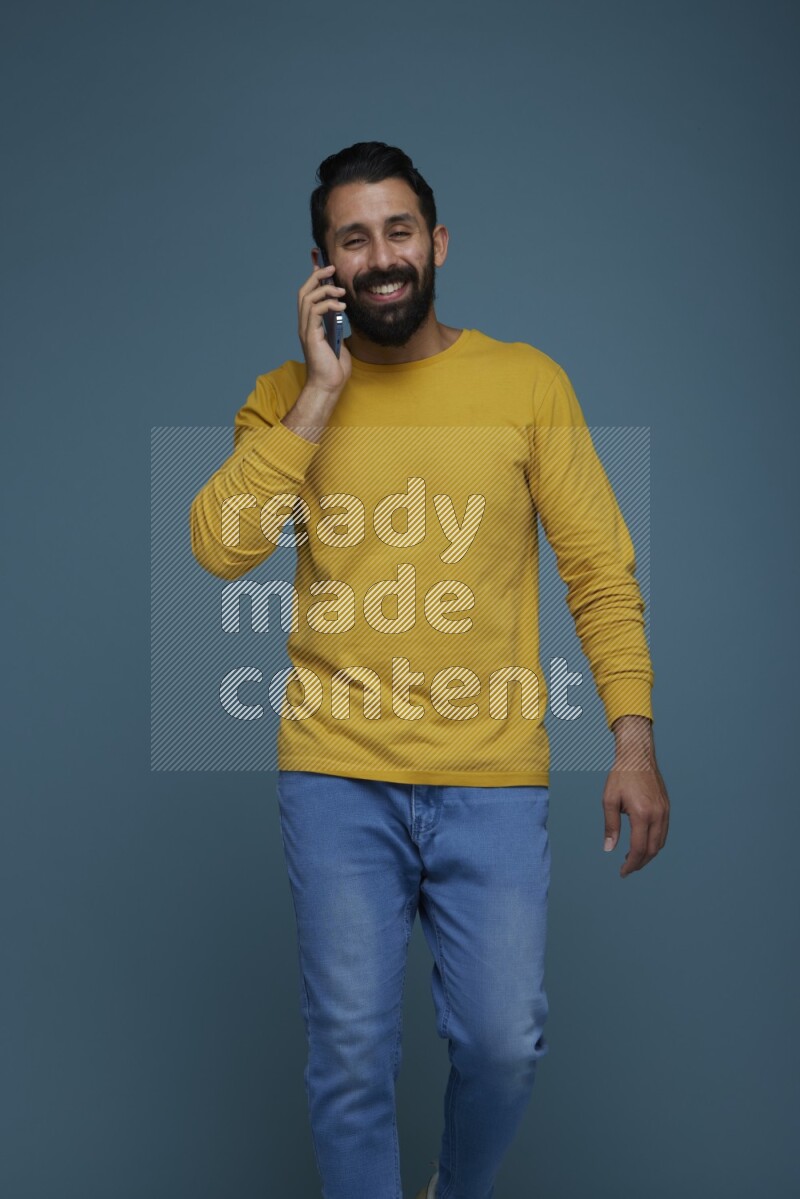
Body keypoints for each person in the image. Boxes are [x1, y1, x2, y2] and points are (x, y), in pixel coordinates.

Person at [189, 141, 670, 1199]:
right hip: (335, 770)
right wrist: (319, 394)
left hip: (487, 772)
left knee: (504, 1040)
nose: (381, 257)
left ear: (436, 242)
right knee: (351, 1055)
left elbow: (597, 568)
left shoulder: (524, 380)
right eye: (351, 241)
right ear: (323, 268)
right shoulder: (283, 394)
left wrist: (628, 736)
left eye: (397, 231)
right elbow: (220, 545)